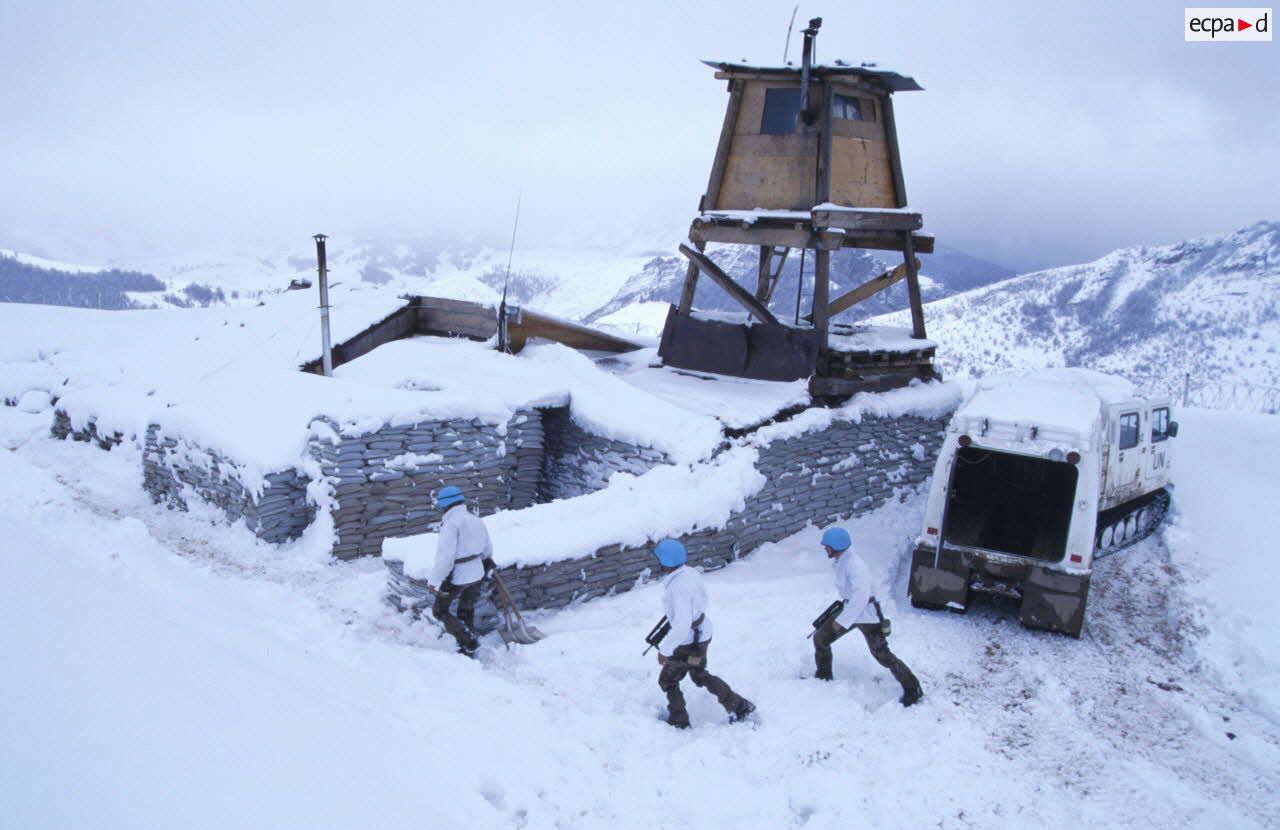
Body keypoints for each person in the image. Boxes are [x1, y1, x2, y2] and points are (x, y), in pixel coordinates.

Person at [813, 527, 924, 707]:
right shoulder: (842, 560)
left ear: (837, 546)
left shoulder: (855, 566)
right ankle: (823, 675)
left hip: (866, 615)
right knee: (820, 638)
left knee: (882, 655)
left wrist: (841, 622)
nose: (825, 549)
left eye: (827, 546)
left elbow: (861, 596)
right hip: (850, 609)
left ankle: (913, 688)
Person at [652, 538, 756, 729]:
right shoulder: (690, 573)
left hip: (687, 641)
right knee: (699, 675)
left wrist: (665, 650)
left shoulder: (677, 586)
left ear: (665, 562)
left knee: (667, 680)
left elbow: (682, 624)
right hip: (702, 635)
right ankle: (739, 705)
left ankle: (678, 720)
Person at [426, 485, 495, 657]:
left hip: (458, 576)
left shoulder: (450, 524)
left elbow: (445, 558)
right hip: (477, 573)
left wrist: (435, 581)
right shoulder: (476, 520)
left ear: (445, 505)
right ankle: (468, 644)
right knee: (466, 608)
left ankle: (467, 640)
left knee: (439, 610)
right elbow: (487, 549)